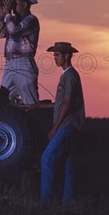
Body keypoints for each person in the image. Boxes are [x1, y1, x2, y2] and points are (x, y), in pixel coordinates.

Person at [40, 42, 85, 205]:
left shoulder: (70, 75)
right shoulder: (67, 75)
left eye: (57, 55)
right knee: (68, 163)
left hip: (67, 125)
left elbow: (67, 102)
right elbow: (61, 102)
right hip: (71, 125)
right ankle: (69, 202)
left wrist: (54, 128)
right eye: (54, 55)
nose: (55, 58)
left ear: (67, 56)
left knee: (46, 158)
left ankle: (45, 202)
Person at [0, 0, 40, 105]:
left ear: (25, 4)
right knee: (4, 100)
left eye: (16, 3)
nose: (13, 7)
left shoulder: (31, 20)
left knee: (30, 101)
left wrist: (8, 13)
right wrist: (2, 15)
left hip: (24, 63)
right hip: (9, 63)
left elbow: (14, 31)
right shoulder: (12, 20)